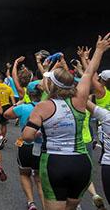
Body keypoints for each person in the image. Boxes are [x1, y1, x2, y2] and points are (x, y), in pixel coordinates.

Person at [23, 33, 110, 210]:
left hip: (54, 162)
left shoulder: (42, 106)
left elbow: (28, 137)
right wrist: (99, 50)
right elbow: (88, 72)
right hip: (81, 162)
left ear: (51, 85)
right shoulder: (80, 99)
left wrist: (38, 132)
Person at [4, 63, 44, 210]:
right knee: (39, 178)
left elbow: (6, 114)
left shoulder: (23, 107)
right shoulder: (47, 107)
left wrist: (19, 102)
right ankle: (46, 205)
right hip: (42, 147)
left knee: (24, 173)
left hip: (25, 145)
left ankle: (31, 202)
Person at [0, 72, 15, 150]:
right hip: (6, 107)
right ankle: (3, 137)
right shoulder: (8, 88)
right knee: (4, 124)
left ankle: (1, 137)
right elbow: (13, 101)